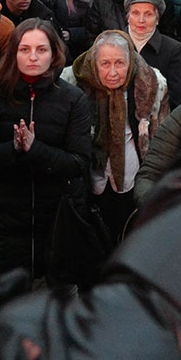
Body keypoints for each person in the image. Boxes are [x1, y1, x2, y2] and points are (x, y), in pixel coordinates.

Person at [0, 19, 93, 279]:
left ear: (54, 54)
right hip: (8, 219)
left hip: (57, 220)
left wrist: (35, 149)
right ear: (14, 53)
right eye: (25, 49)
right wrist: (15, 148)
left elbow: (79, 163)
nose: (33, 57)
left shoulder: (73, 99)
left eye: (41, 50)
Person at [64, 29, 170, 240]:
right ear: (95, 64)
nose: (113, 72)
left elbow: (162, 139)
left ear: (129, 63)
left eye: (119, 64)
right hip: (89, 177)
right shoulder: (73, 83)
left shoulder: (150, 85)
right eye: (105, 64)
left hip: (133, 177)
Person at [124, 0, 181, 108]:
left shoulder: (172, 49)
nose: (141, 20)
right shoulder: (111, 44)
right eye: (135, 13)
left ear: (157, 19)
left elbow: (173, 98)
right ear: (128, 17)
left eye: (148, 14)